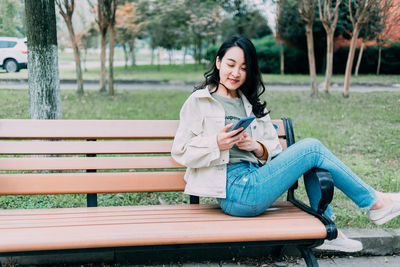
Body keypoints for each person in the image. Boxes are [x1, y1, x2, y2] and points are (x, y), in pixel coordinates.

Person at [171, 34, 400, 252]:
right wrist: (216, 144)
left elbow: (274, 150)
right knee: (311, 148)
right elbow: (180, 152)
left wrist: (255, 147)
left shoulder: (249, 103)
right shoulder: (200, 101)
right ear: (218, 62)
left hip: (254, 179)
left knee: (312, 159)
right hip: (233, 191)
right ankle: (375, 203)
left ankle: (329, 230)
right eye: (230, 64)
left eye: (244, 68)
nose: (236, 73)